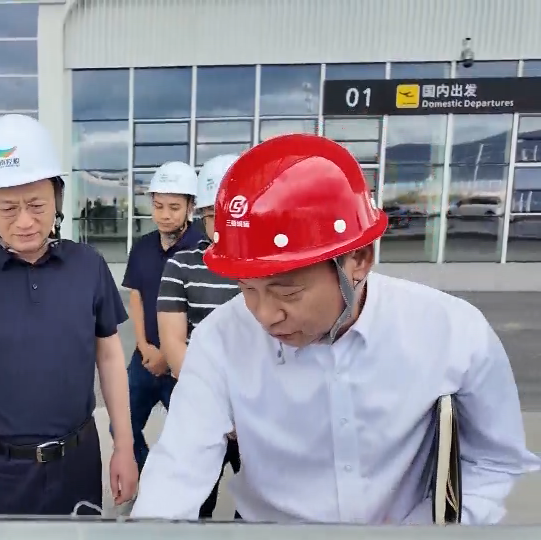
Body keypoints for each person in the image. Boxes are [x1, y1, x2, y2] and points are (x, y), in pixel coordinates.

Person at [132, 133, 541, 524]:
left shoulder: (451, 332)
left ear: (358, 260)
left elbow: (493, 460)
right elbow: (177, 470)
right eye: (247, 289)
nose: (265, 315)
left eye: (287, 292)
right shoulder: (220, 339)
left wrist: (430, 528)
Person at [0, 114, 137, 516]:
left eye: (36, 205)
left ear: (57, 197)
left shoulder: (88, 266)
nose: (25, 221)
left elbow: (109, 358)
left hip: (77, 466)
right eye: (8, 208)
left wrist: (124, 445)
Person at [156, 154, 243, 519]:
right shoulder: (181, 265)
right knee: (193, 506)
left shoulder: (270, 267)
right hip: (201, 407)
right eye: (212, 215)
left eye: (230, 214)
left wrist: (249, 410)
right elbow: (174, 345)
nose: (221, 224)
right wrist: (220, 408)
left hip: (261, 411)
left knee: (264, 507)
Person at [121, 161, 205, 471]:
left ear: (190, 207)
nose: (164, 214)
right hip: (144, 360)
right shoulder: (142, 247)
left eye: (174, 207)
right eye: (158, 206)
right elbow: (136, 296)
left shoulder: (203, 249)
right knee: (122, 427)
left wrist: (169, 359)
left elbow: (206, 311)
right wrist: (143, 346)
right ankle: (149, 480)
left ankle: (184, 492)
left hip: (184, 364)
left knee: (193, 441)